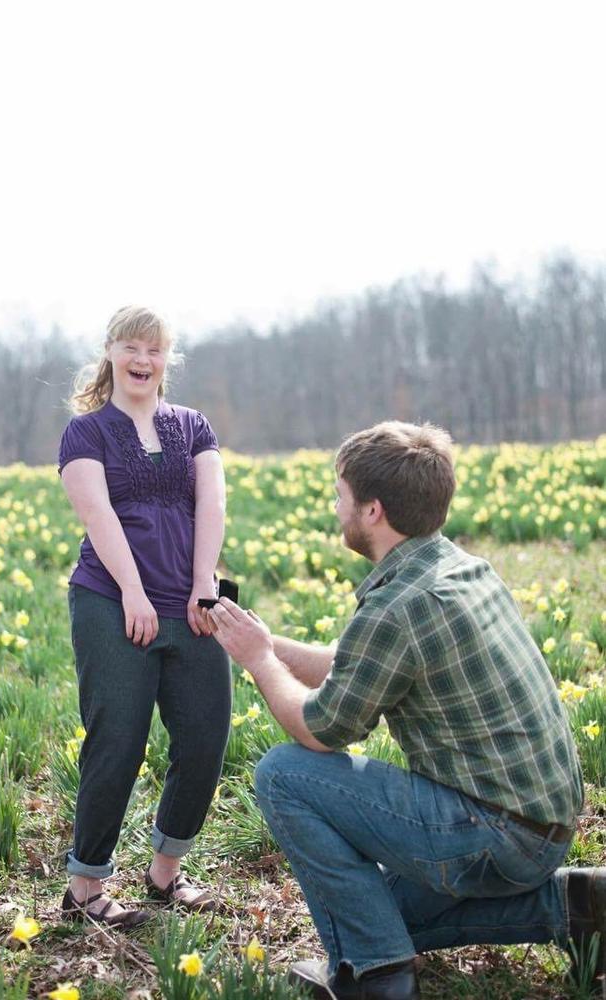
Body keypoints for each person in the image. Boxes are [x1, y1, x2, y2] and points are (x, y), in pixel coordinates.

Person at [206, 420, 606, 1000]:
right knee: (375, 911)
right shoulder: (456, 568)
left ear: (372, 511)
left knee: (283, 774)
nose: (334, 505)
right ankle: (580, 907)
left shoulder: (398, 607)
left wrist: (261, 663)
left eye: (340, 494)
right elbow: (353, 663)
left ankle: (376, 976)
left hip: (495, 834)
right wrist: (256, 639)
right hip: (541, 824)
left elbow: (320, 731)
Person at [57, 305, 231, 928]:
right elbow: (97, 515)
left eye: (154, 349)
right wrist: (132, 591)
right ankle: (85, 886)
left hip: (191, 605)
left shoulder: (193, 426)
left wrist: (204, 584)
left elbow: (211, 503)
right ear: (109, 352)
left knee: (208, 736)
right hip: (111, 600)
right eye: (130, 346)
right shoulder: (88, 431)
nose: (142, 359)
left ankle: (165, 873)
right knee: (118, 740)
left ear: (167, 359)